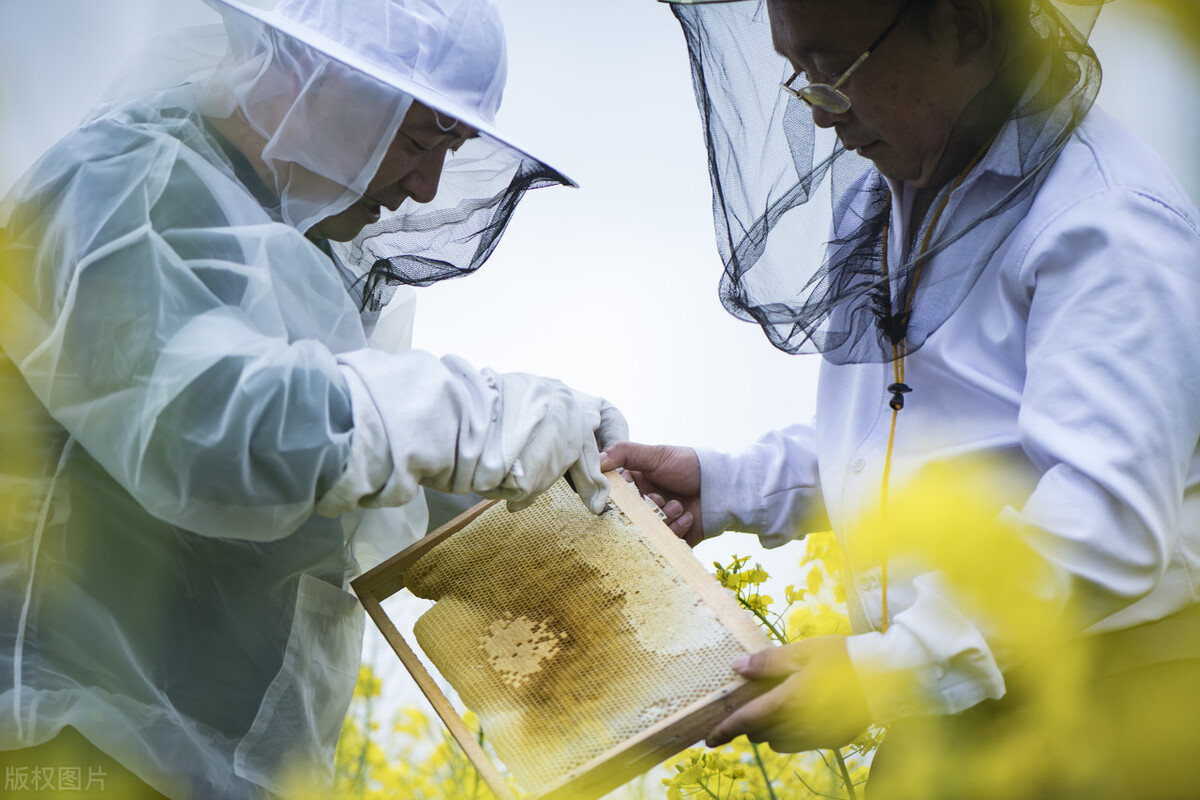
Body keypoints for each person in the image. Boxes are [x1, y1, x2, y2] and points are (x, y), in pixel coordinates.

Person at [0, 0, 625, 797]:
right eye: (421, 136)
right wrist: (474, 418)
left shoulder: (297, 253)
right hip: (58, 752)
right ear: (318, 72)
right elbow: (208, 426)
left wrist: (549, 500)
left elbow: (341, 471)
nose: (427, 188)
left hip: (200, 768)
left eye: (450, 147)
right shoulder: (119, 184)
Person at [603, 0, 1200, 795]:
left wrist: (885, 674)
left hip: (1107, 716)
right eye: (799, 75)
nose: (819, 114)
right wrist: (727, 485)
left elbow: (1103, 523)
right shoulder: (891, 194)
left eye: (835, 69)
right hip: (949, 708)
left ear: (965, 26)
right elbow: (912, 441)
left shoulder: (1106, 218)